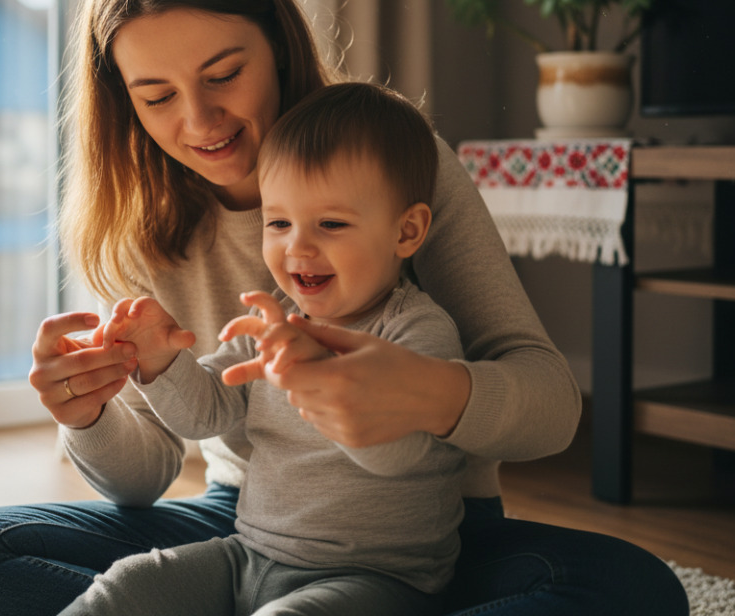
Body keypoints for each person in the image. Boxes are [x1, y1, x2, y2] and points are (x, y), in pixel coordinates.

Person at [0, 0, 689, 616]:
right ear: (122, 100)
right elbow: (152, 468)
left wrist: (430, 395)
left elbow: (551, 403)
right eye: (156, 95)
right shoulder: (141, 226)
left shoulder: (393, 163)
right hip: (246, 523)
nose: (199, 121)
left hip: (420, 534)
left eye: (223, 74)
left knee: (634, 591)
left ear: (276, 41)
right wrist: (88, 416)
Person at [62, 82, 466, 616]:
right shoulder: (271, 317)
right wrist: (160, 362)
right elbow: (207, 412)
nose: (297, 246)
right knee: (127, 584)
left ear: (407, 230)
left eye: (331, 223)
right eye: (279, 223)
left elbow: (400, 458)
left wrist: (317, 379)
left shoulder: (417, 331)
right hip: (249, 556)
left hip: (377, 579)